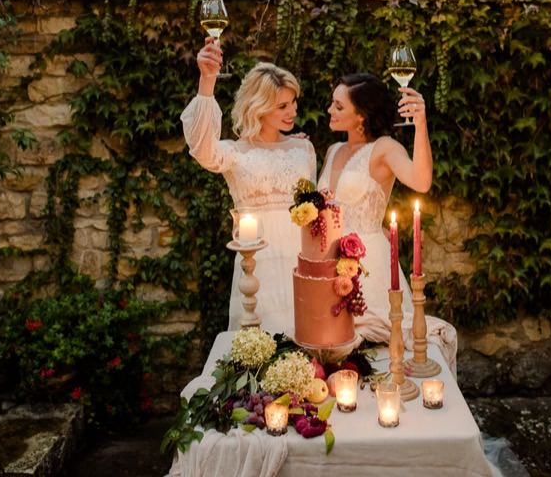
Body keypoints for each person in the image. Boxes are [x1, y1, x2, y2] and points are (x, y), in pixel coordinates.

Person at [318, 73, 457, 373]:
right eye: (332, 104)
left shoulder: (384, 148)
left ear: (361, 116)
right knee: (335, 361)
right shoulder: (332, 151)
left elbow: (421, 181)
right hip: (328, 268)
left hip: (371, 269)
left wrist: (420, 124)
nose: (330, 110)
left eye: (339, 107)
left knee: (381, 359)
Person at [181, 38, 315, 334]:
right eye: (282, 105)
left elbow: (316, 210)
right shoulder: (234, 152)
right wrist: (207, 81)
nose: (292, 111)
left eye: (293, 102)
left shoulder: (303, 149)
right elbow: (202, 148)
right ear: (259, 107)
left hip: (302, 263)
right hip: (258, 264)